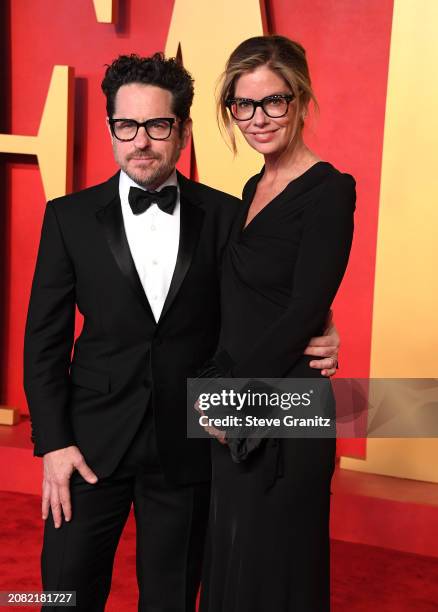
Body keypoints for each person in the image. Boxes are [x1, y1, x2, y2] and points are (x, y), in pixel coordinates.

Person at [24, 52, 340, 611]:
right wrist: (53, 442)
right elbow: (43, 342)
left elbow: (256, 300)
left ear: (184, 130)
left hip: (190, 445)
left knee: (171, 600)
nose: (140, 141)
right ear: (110, 129)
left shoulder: (227, 214)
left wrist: (321, 325)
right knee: (62, 595)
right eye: (127, 125)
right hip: (89, 444)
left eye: (158, 125)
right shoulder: (67, 217)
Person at [198, 36, 356, 612]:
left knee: (277, 564)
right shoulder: (250, 190)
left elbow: (302, 310)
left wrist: (226, 397)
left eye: (274, 102)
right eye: (244, 105)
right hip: (233, 400)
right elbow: (250, 299)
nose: (258, 118)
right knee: (234, 552)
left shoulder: (331, 191)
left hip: (287, 408)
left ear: (301, 99)